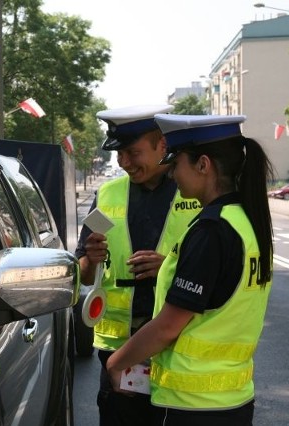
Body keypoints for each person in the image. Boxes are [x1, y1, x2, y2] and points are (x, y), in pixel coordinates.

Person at [106, 114, 274, 426]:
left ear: (203, 165)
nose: (171, 174)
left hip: (192, 407)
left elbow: (168, 327)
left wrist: (116, 362)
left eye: (176, 162)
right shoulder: (246, 221)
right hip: (234, 400)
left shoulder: (211, 230)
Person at [76, 105, 201, 426]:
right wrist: (90, 258)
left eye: (133, 152)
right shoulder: (107, 194)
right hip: (120, 348)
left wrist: (168, 268)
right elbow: (84, 274)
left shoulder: (195, 191)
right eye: (120, 155)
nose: (124, 163)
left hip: (177, 343)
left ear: (162, 144)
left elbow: (219, 267)